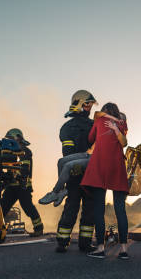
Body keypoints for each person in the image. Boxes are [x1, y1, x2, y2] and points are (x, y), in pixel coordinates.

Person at [39, 112, 125, 207]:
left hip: (98, 159)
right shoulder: (105, 127)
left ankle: (54, 193)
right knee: (61, 161)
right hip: (88, 154)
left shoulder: (119, 133)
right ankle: (62, 191)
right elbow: (98, 115)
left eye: (118, 119)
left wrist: (115, 128)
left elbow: (123, 143)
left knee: (68, 166)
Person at [81, 102, 130, 259]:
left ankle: (100, 248)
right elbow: (124, 143)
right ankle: (123, 250)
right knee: (120, 210)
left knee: (99, 210)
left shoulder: (99, 121)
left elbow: (90, 138)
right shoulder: (121, 123)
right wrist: (116, 129)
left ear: (104, 111)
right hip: (117, 168)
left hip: (100, 167)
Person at [54, 90, 97, 253]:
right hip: (85, 173)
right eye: (88, 104)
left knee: (76, 207)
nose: (90, 108)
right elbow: (68, 152)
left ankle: (63, 242)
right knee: (84, 208)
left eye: (91, 105)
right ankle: (82, 243)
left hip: (78, 173)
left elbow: (68, 154)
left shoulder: (69, 127)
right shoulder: (75, 127)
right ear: (80, 104)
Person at [0, 128, 43, 237]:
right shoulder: (9, 152)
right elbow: (7, 168)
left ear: (17, 138)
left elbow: (24, 169)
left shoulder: (25, 151)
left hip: (22, 186)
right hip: (11, 185)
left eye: (10, 139)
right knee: (2, 205)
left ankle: (39, 228)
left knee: (28, 207)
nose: (8, 141)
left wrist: (12, 176)